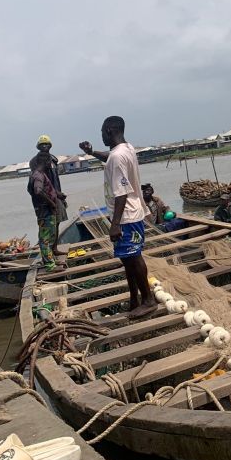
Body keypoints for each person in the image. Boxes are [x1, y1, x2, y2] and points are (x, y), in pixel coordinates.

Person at [79, 116, 155, 318]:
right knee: (128, 259)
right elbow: (110, 158)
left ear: (110, 130)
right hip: (131, 213)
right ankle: (134, 300)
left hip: (127, 216)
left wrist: (115, 225)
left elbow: (121, 193)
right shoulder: (125, 149)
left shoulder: (118, 156)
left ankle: (148, 300)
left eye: (102, 131)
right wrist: (92, 152)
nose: (101, 135)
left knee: (134, 257)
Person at [28, 153, 64, 272]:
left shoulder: (40, 174)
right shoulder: (38, 175)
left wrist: (57, 195)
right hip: (45, 211)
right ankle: (50, 266)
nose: (51, 165)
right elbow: (38, 191)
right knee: (45, 239)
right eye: (50, 162)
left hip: (46, 211)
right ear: (46, 162)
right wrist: (51, 203)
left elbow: (46, 190)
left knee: (49, 236)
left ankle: (50, 260)